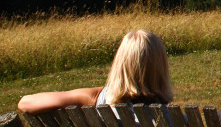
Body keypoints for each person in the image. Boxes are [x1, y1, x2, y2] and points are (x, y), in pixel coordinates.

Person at [18, 28, 173, 115]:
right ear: (161, 68)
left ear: (120, 63)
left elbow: (26, 102)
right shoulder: (177, 123)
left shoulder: (96, 99)